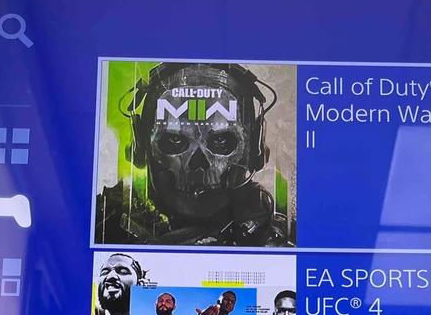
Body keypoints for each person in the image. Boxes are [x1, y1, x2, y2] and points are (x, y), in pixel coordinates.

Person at [95, 62, 292, 247]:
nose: (198, 165)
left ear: (255, 146)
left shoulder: (281, 237)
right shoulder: (104, 225)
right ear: (140, 145)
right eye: (174, 140)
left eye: (221, 140)